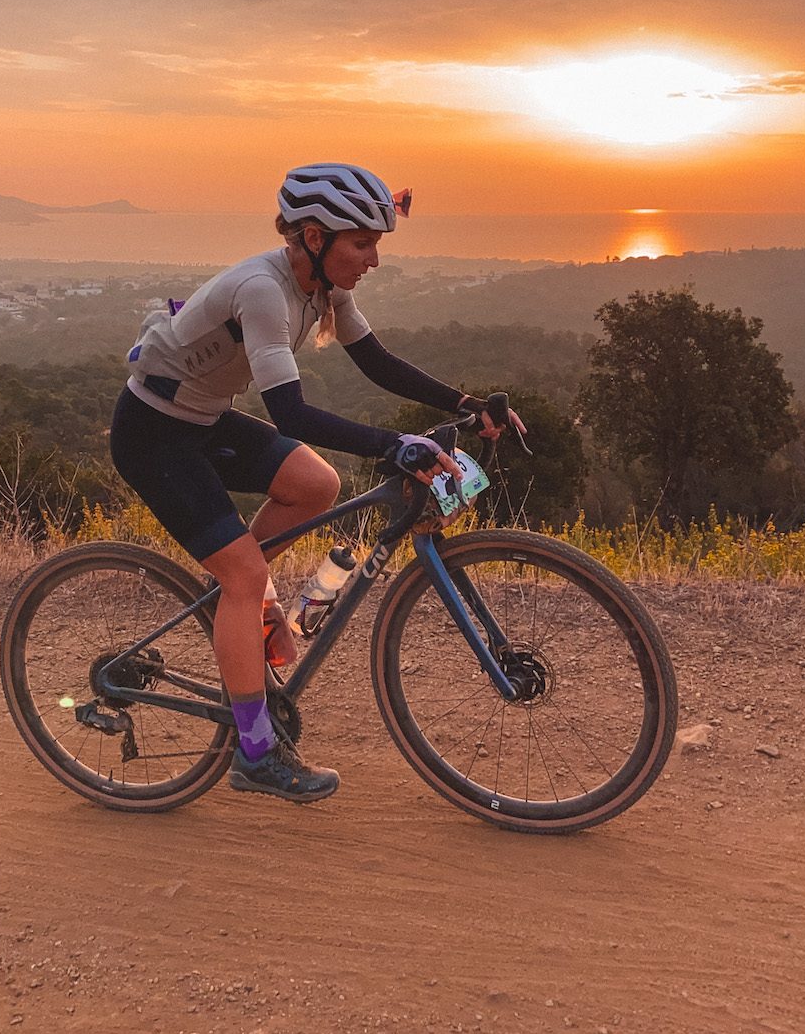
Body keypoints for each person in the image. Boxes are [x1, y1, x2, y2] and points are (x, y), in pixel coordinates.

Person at [110, 163, 524, 804]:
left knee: (315, 484)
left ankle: (235, 610)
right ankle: (254, 752)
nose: (374, 260)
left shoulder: (322, 287)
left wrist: (463, 403)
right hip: (153, 435)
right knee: (247, 575)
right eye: (362, 243)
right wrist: (395, 445)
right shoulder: (264, 291)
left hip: (204, 420)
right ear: (312, 237)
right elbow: (292, 414)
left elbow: (375, 360)